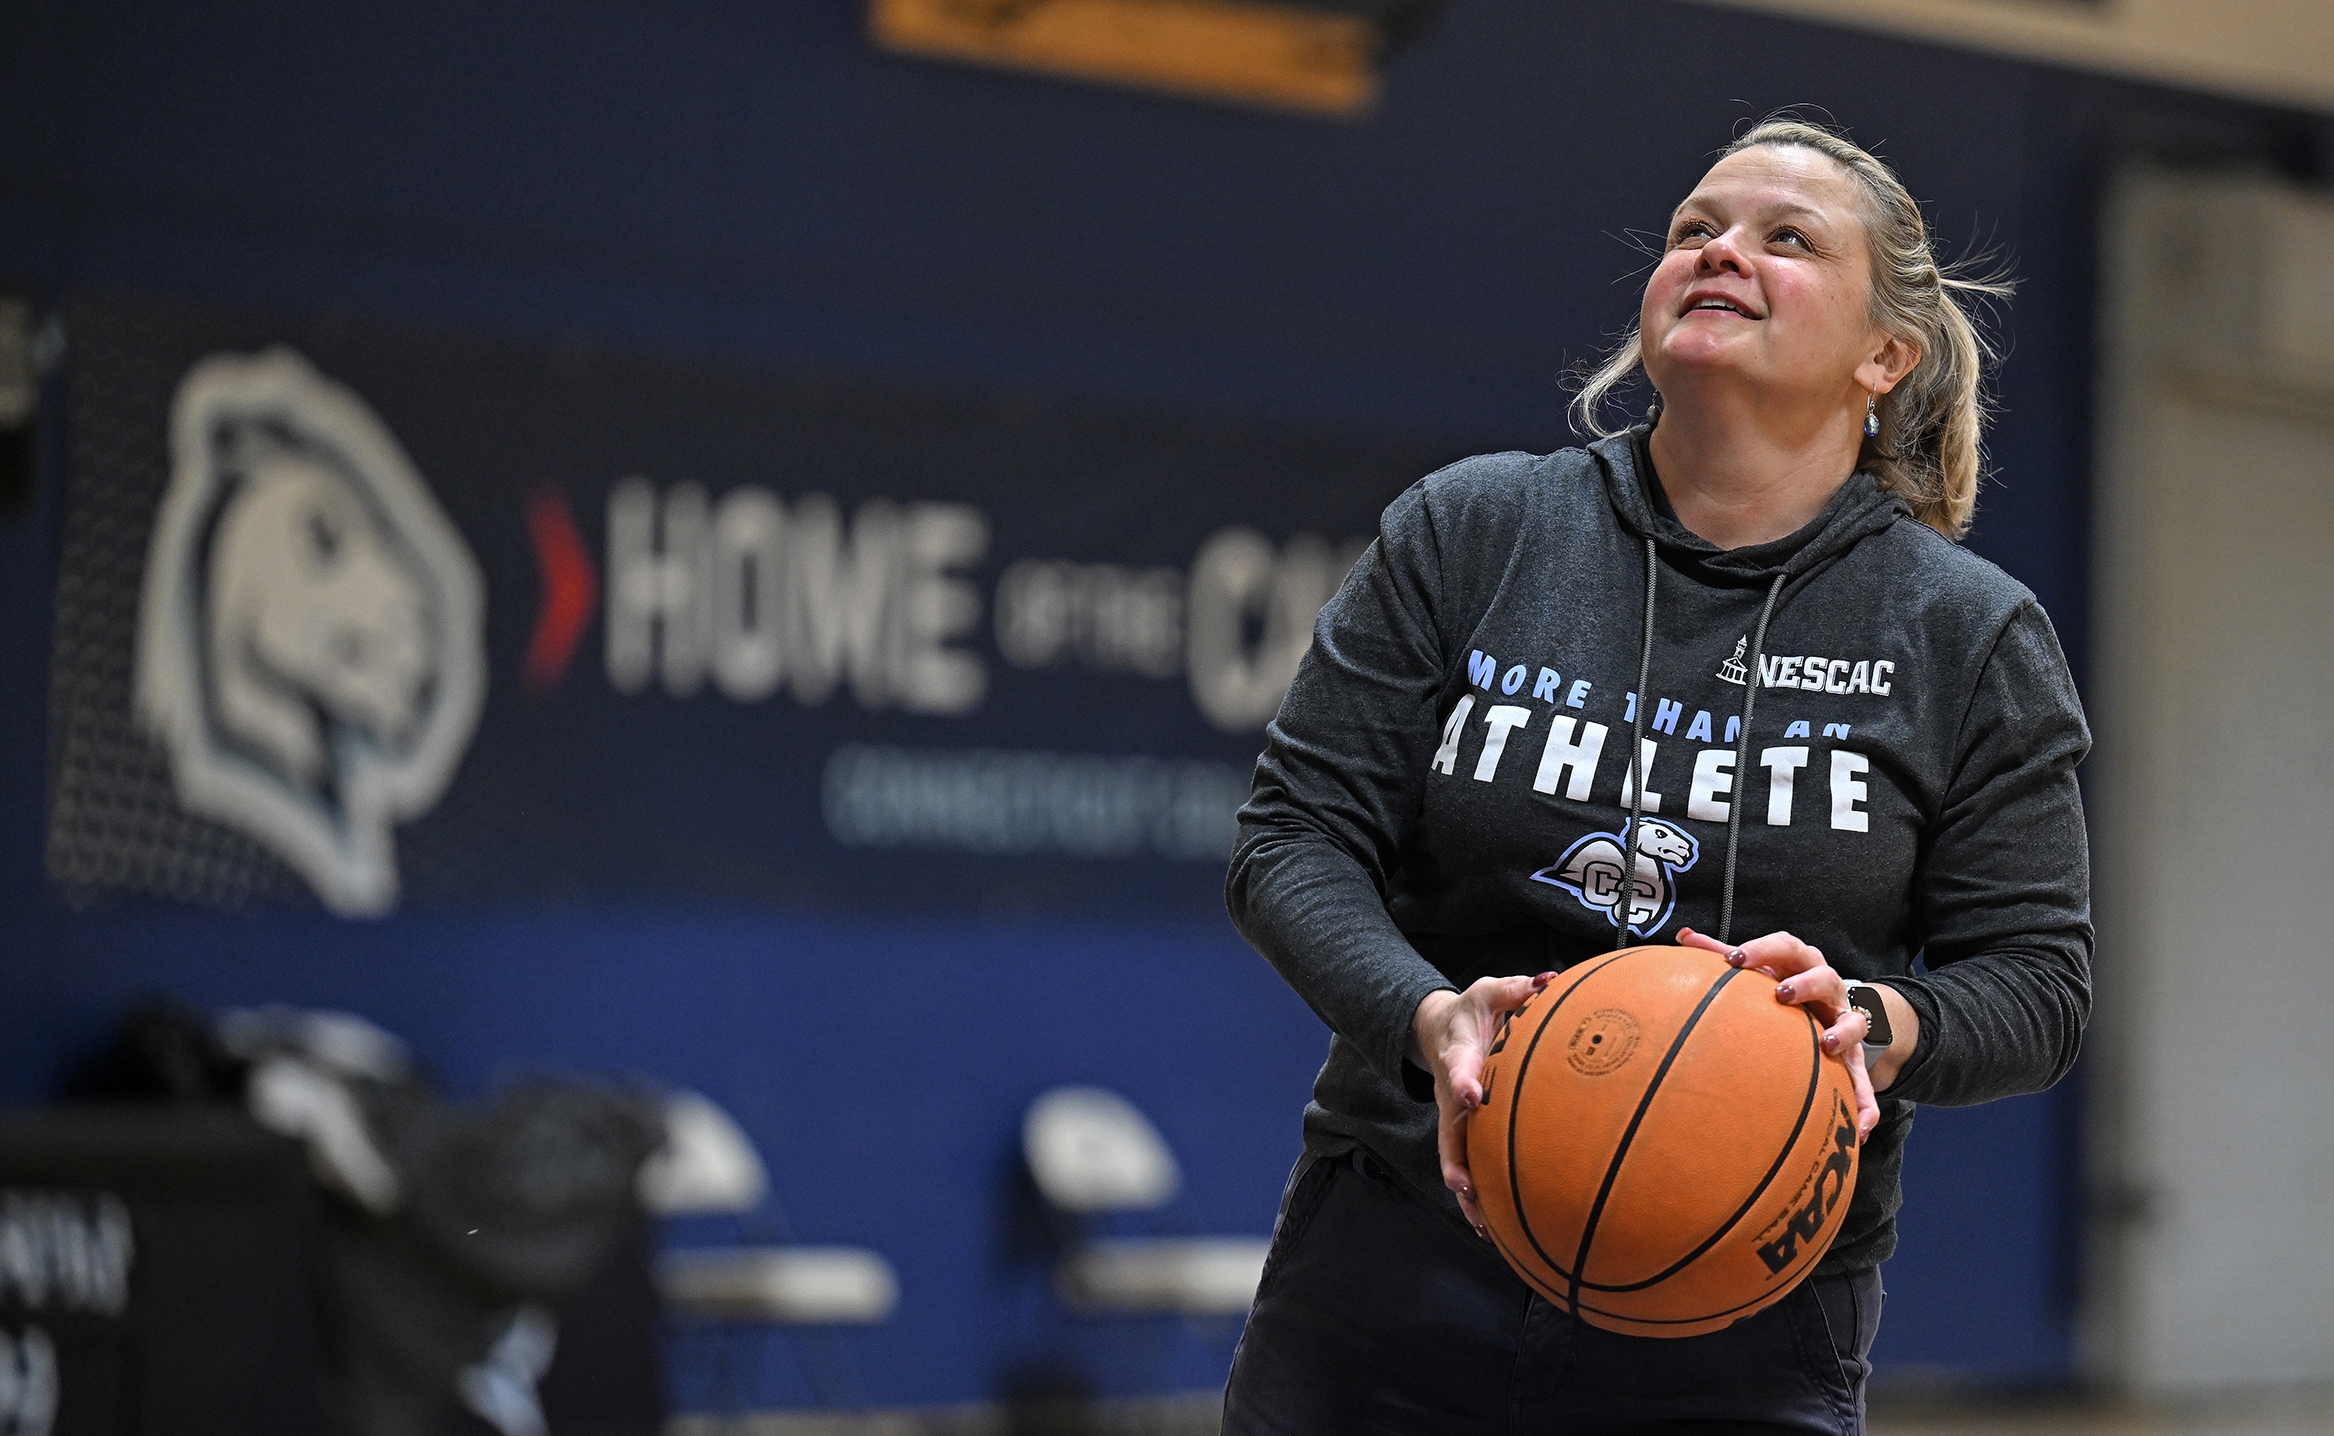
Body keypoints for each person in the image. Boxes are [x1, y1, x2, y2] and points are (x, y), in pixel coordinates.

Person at [1219, 116, 2092, 1435]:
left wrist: (1871, 1017)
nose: (1720, 252)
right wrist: (1426, 1015)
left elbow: (2036, 986)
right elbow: (1290, 839)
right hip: (1396, 1265)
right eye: (1695, 229)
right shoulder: (1477, 529)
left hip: (1741, 1301)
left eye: (1784, 240)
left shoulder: (1965, 634)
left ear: (1883, 355)